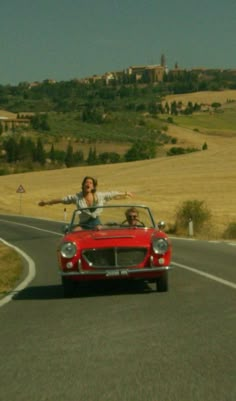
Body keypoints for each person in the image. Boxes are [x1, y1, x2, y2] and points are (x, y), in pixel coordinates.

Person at [38, 176, 133, 230]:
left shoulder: (99, 196)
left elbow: (113, 194)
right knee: (74, 232)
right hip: (83, 224)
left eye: (91, 183)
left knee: (102, 231)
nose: (88, 184)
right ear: (83, 185)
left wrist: (125, 193)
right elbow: (62, 200)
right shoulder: (77, 197)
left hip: (96, 223)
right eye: (86, 182)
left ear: (93, 186)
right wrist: (46, 202)